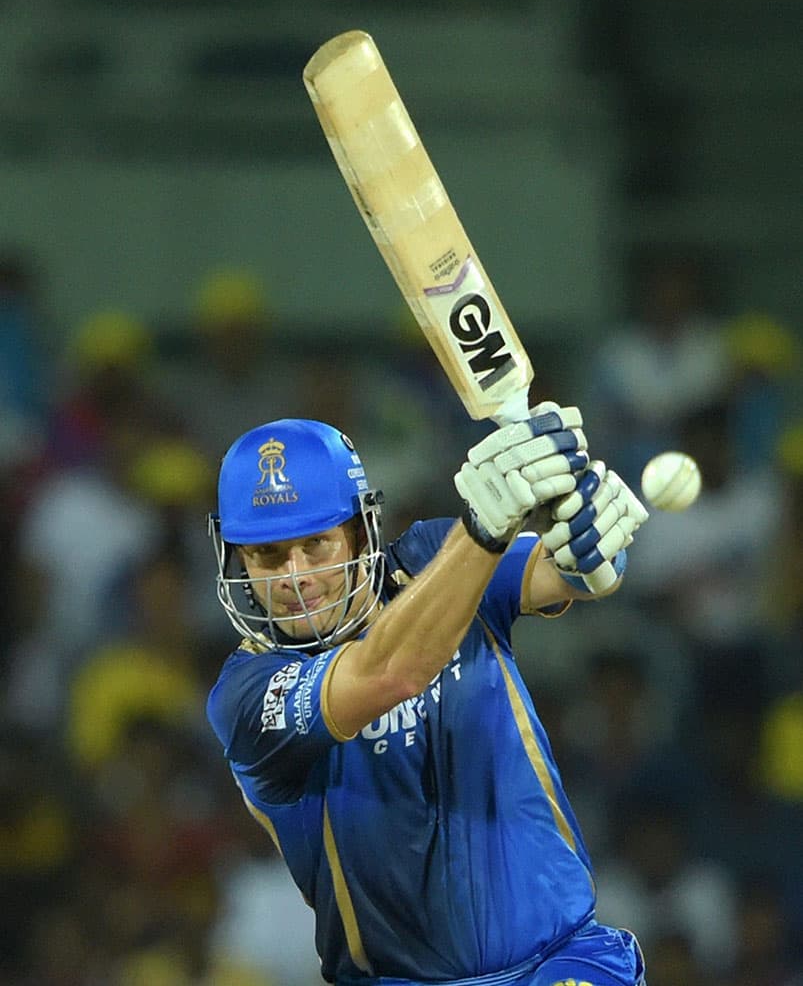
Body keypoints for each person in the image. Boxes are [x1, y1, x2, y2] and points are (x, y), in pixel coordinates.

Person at [206, 406, 650, 986]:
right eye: (267, 555)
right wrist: (482, 531)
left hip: (561, 961)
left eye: (316, 544)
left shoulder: (431, 558)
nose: (294, 577)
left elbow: (562, 571)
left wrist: (589, 537)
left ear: (361, 532)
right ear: (236, 557)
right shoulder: (247, 695)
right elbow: (389, 672)